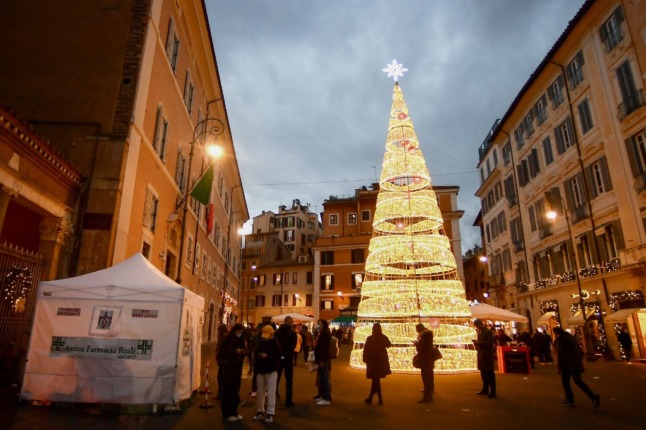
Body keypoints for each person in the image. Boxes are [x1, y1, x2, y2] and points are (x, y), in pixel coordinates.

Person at [553, 327, 600, 408]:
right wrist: (578, 361)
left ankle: (570, 399)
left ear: (556, 333)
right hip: (575, 363)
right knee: (578, 381)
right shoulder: (571, 338)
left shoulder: (561, 340)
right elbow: (580, 352)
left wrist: (560, 367)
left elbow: (561, 354)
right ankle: (593, 396)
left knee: (566, 382)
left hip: (566, 364)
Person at [216, 323, 247, 422]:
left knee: (235, 390)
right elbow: (221, 354)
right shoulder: (227, 340)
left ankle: (234, 411)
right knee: (227, 391)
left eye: (241, 332)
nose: (240, 334)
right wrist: (235, 352)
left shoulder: (241, 340)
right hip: (228, 368)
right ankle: (226, 414)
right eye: (238, 332)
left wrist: (243, 353)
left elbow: (243, 353)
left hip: (237, 368)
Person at [252, 325, 282, 424]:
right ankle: (260, 411)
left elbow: (277, 358)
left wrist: (267, 356)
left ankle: (270, 412)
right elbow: (256, 355)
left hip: (271, 371)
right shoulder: (261, 342)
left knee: (271, 392)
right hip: (261, 370)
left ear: (272, 333)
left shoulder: (275, 343)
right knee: (260, 392)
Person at [362, 323, 391, 405]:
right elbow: (389, 345)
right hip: (380, 361)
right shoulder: (383, 337)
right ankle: (376, 398)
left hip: (372, 361)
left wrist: (365, 358)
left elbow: (366, 349)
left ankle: (375, 398)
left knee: (375, 380)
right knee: (376, 380)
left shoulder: (370, 338)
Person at [275, 315, 297, 407]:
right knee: (289, 380)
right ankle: (288, 401)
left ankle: (273, 397)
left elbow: (275, 345)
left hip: (279, 358)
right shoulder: (293, 333)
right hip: (288, 359)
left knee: (276, 379)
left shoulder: (277, 332)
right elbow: (293, 347)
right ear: (290, 322)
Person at [473, 319, 496, 398]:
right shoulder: (480, 332)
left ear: (480, 324)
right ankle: (485, 389)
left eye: (477, 326)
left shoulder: (488, 332)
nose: (477, 327)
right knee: (483, 373)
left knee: (489, 373)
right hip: (482, 354)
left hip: (487, 356)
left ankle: (493, 391)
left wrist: (478, 342)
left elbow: (490, 343)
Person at [415, 323, 435, 403]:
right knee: (429, 376)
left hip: (425, 359)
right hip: (429, 359)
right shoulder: (429, 336)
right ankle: (429, 391)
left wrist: (417, 344)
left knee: (426, 377)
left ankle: (427, 396)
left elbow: (422, 348)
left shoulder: (424, 337)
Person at [313, 318, 332, 406]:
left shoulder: (325, 335)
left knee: (324, 379)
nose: (318, 325)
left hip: (323, 360)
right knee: (322, 378)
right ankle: (323, 396)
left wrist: (321, 360)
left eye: (319, 324)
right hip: (322, 359)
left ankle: (326, 398)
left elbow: (323, 349)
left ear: (323, 325)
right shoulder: (323, 334)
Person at [248, 323, 264, 397]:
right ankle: (254, 389)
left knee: (260, 374)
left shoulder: (264, 337)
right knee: (256, 374)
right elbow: (251, 346)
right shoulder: (255, 337)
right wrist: (255, 348)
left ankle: (260, 389)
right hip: (257, 358)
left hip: (262, 358)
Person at [214, 323, 229, 401]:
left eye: (218, 330)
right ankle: (221, 393)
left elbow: (222, 349)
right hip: (222, 361)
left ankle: (221, 394)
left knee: (221, 378)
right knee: (221, 378)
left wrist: (219, 354)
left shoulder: (224, 338)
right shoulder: (223, 337)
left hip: (224, 361)